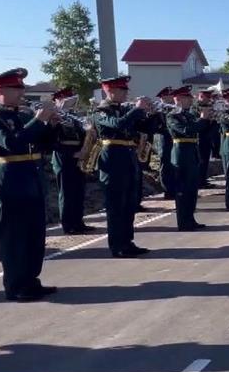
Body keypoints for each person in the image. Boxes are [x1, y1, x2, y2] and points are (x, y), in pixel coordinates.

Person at [0, 68, 58, 301]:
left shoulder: (24, 115)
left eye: (22, 87)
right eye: (16, 88)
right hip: (9, 180)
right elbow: (12, 143)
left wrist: (51, 125)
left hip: (32, 179)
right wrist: (38, 121)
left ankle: (31, 280)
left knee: (34, 235)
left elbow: (45, 144)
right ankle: (15, 286)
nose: (21, 92)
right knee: (14, 237)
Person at [93, 76, 155, 257]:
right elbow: (117, 124)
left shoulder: (124, 110)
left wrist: (151, 114)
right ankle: (117, 245)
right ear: (110, 91)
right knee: (116, 205)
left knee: (129, 204)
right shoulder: (101, 110)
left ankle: (127, 242)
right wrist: (136, 110)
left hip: (128, 159)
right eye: (122, 90)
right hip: (113, 160)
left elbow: (145, 129)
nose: (126, 93)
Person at [49, 87, 93, 234]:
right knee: (67, 192)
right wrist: (70, 153)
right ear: (58, 100)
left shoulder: (74, 117)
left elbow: (83, 135)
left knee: (79, 190)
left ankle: (79, 222)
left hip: (79, 154)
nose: (72, 102)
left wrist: (84, 149)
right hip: (64, 156)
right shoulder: (54, 116)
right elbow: (50, 140)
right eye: (67, 99)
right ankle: (68, 225)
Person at [165, 86, 209, 231]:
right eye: (187, 98)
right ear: (179, 99)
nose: (191, 100)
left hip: (191, 152)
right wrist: (202, 119)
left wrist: (208, 119)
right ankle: (183, 222)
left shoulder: (189, 115)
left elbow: (200, 129)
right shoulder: (172, 116)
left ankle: (190, 218)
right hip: (180, 154)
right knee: (182, 190)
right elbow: (186, 130)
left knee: (192, 189)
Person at [154, 87, 178, 200]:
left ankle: (174, 188)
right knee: (165, 164)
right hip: (163, 139)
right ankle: (167, 190)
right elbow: (156, 126)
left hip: (171, 139)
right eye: (170, 95)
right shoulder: (158, 110)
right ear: (163, 97)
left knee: (172, 163)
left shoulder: (172, 109)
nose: (172, 97)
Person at [196, 90, 220, 187]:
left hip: (207, 137)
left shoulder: (209, 107)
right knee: (200, 160)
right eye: (206, 97)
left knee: (205, 160)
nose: (208, 100)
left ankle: (203, 180)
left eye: (209, 97)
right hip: (199, 138)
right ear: (200, 97)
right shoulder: (195, 107)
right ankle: (199, 181)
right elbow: (197, 123)